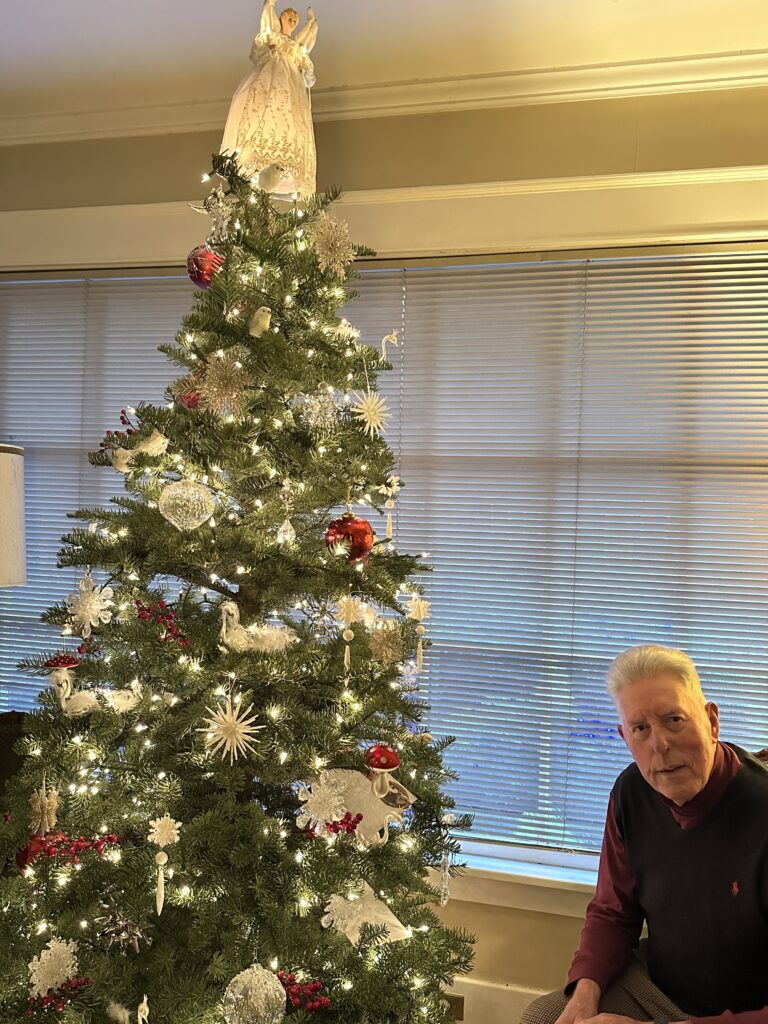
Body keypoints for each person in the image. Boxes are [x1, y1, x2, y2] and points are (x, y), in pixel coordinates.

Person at [522, 644, 768, 1024]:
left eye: (674, 720)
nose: (660, 744)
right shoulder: (630, 794)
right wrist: (585, 991)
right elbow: (613, 912)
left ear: (712, 720)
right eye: (641, 729)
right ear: (625, 738)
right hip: (659, 988)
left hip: (747, 1009)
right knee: (544, 1018)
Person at [220, 1, 318, 198]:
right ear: (280, 19)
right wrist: (270, 48)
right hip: (271, 78)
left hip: (292, 89)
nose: (292, 21)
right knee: (264, 108)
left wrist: (306, 69)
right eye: (289, 17)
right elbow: (258, 52)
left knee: (289, 117)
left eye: (295, 20)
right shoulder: (274, 37)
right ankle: (255, 155)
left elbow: (307, 72)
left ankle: (280, 162)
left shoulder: (297, 47)